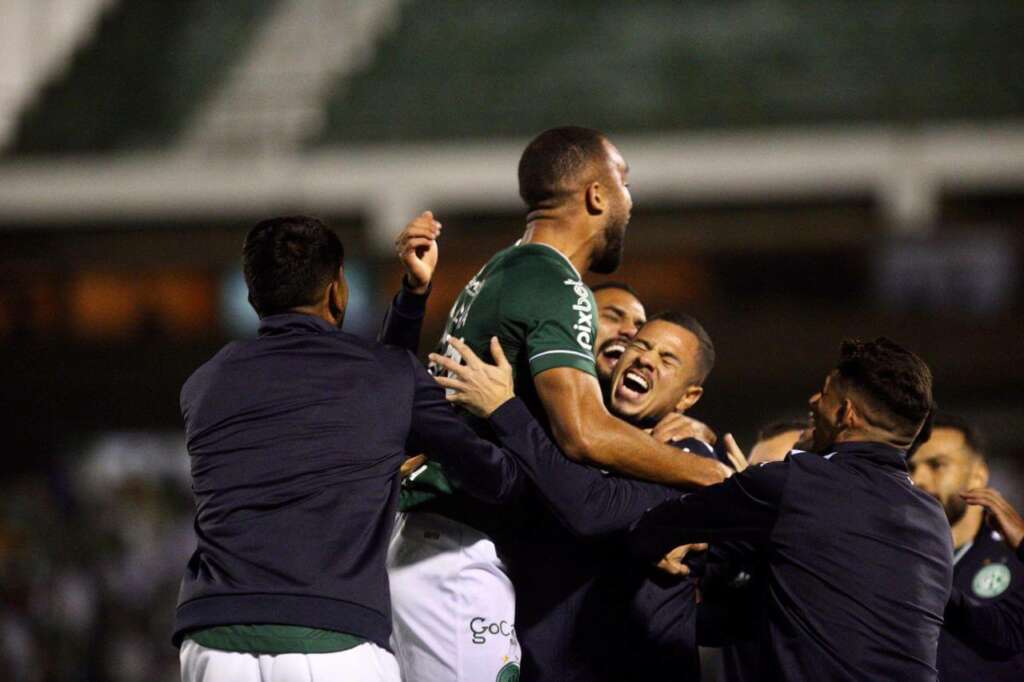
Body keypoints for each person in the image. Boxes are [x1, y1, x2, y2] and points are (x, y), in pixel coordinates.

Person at [389, 126, 728, 682]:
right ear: (597, 195)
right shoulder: (556, 283)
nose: (629, 201)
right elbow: (584, 435)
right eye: (624, 183)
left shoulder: (504, 268)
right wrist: (708, 476)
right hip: (455, 550)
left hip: (455, 547)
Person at [444, 336, 952, 680]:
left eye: (825, 393)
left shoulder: (794, 485)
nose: (813, 401)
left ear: (845, 412)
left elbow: (647, 528)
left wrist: (669, 539)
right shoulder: (933, 523)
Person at [173, 215, 522, 682]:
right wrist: (508, 411)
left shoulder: (203, 385)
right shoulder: (386, 376)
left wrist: (411, 300)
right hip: (330, 638)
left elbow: (356, 399)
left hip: (210, 640)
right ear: (338, 289)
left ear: (254, 296)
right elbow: (493, 476)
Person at [909, 413, 1024, 679]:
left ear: (978, 476)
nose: (920, 480)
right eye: (911, 468)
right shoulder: (896, 557)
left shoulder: (1016, 556)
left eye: (937, 465)